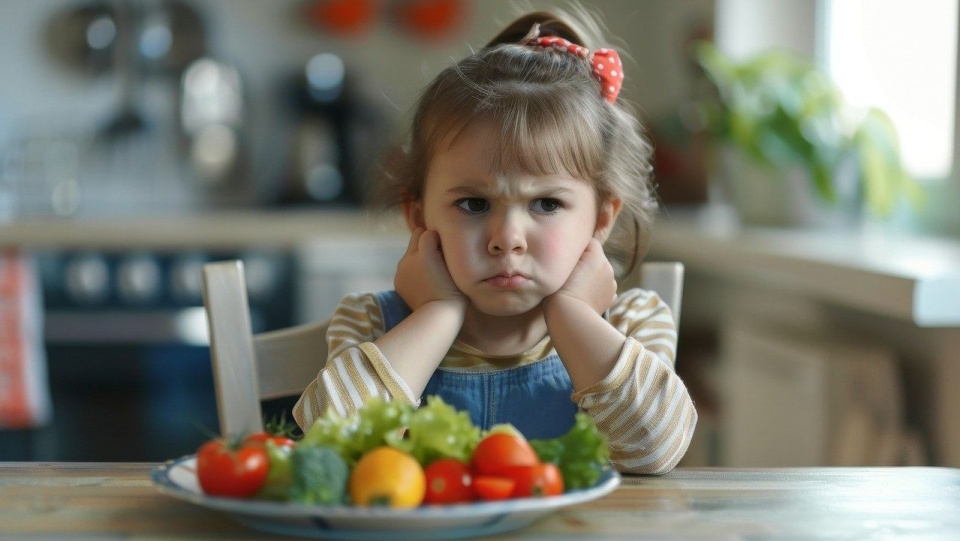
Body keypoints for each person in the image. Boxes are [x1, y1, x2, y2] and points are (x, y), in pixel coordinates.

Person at [293, 8, 697, 474]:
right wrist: (436, 315)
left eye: (546, 204)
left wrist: (573, 315)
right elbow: (327, 450)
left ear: (601, 218)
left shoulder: (632, 323)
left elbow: (655, 452)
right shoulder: (370, 323)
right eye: (474, 205)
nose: (507, 240)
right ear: (419, 216)